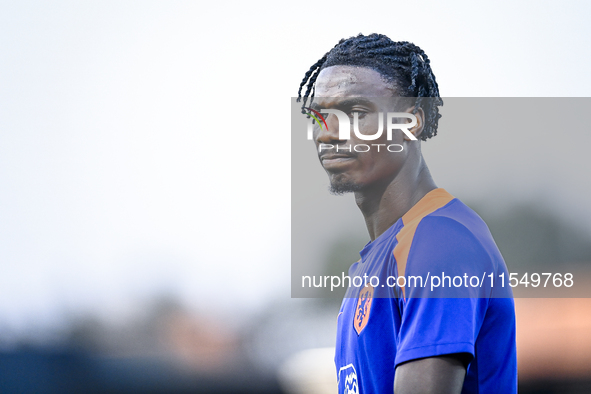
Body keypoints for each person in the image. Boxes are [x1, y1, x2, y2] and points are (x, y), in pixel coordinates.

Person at [296, 33, 517, 394]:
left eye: (355, 112)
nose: (327, 134)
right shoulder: (373, 264)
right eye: (321, 115)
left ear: (411, 121)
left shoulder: (439, 242)